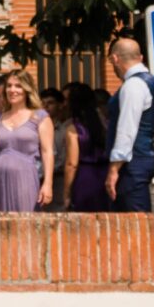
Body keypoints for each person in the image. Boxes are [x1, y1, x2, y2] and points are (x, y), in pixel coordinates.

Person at [0, 72, 51, 213]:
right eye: (9, 86)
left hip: (25, 179)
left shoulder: (39, 116)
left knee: (25, 223)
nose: (12, 90)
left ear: (27, 89)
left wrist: (48, 183)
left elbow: (47, 152)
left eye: (18, 86)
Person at [105, 40, 154, 212]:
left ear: (115, 59)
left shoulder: (133, 85)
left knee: (136, 220)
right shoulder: (152, 82)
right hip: (143, 156)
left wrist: (114, 168)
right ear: (140, 57)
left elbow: (126, 128)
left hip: (132, 163)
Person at [64, 83, 110, 213]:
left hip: (85, 177)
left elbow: (71, 164)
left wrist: (66, 193)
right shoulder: (106, 124)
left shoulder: (73, 129)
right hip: (105, 173)